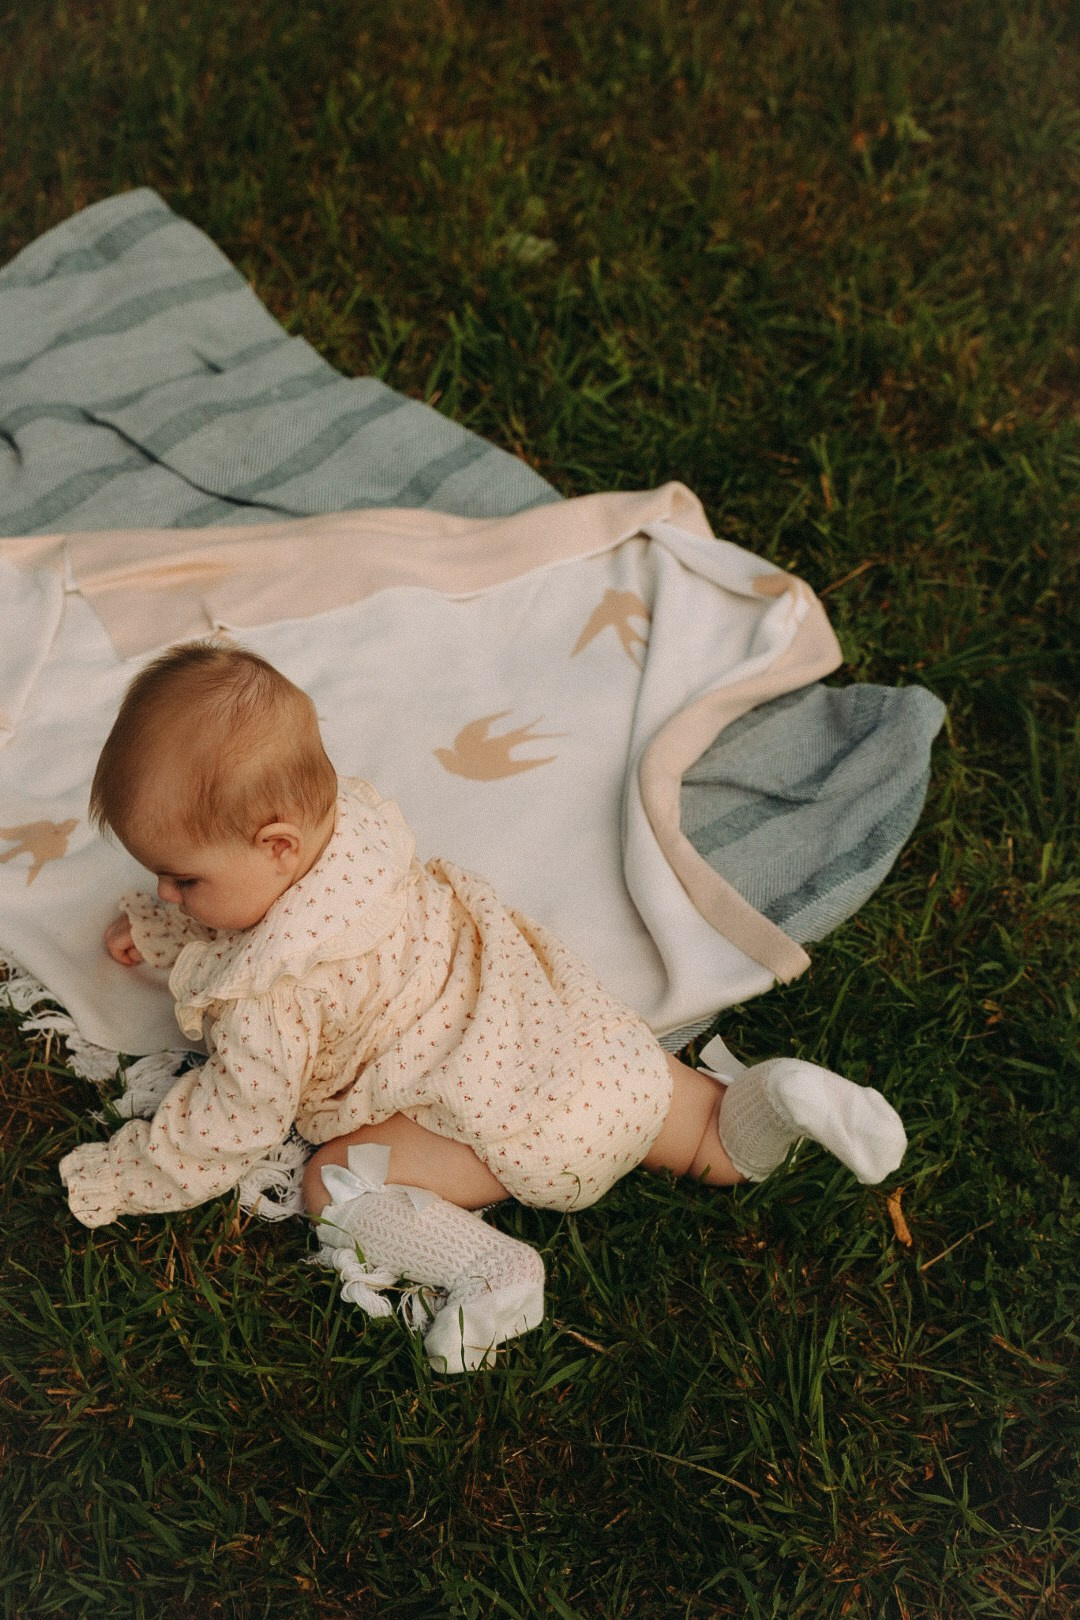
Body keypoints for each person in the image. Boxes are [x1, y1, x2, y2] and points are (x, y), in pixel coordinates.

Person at [60, 643, 907, 1371]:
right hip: (567, 1036)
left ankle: (490, 1273)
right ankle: (784, 1095)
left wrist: (133, 1171)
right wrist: (168, 925)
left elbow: (234, 1119)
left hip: (487, 1109)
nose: (166, 894)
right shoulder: (350, 823)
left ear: (276, 845)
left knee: (336, 1182)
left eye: (183, 880)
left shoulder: (276, 998)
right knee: (706, 1137)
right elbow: (238, 916)